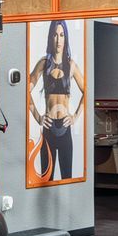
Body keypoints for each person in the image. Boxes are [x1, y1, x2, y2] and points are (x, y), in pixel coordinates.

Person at [27, 20, 85, 182]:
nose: (58, 40)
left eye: (62, 35)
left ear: (65, 38)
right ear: (50, 37)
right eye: (55, 35)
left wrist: (75, 116)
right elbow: (25, 90)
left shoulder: (72, 66)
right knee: (47, 179)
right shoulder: (44, 64)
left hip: (65, 130)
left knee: (67, 177)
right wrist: (38, 117)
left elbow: (86, 92)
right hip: (49, 129)